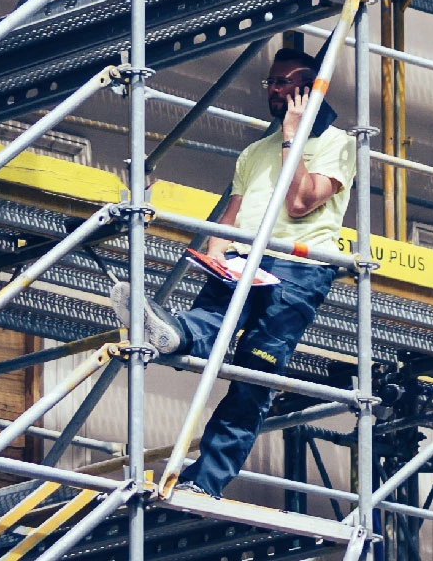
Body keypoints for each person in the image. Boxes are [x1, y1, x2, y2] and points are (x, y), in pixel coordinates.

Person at [118, 38, 355, 500]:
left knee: (253, 378)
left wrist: (292, 135)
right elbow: (229, 219)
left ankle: (205, 482)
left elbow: (300, 201)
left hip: (297, 269)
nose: (276, 90)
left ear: (310, 87)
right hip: (245, 258)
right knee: (208, 318)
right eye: (272, 82)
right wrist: (218, 255)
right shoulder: (253, 153)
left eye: (286, 82)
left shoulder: (338, 144)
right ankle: (174, 333)